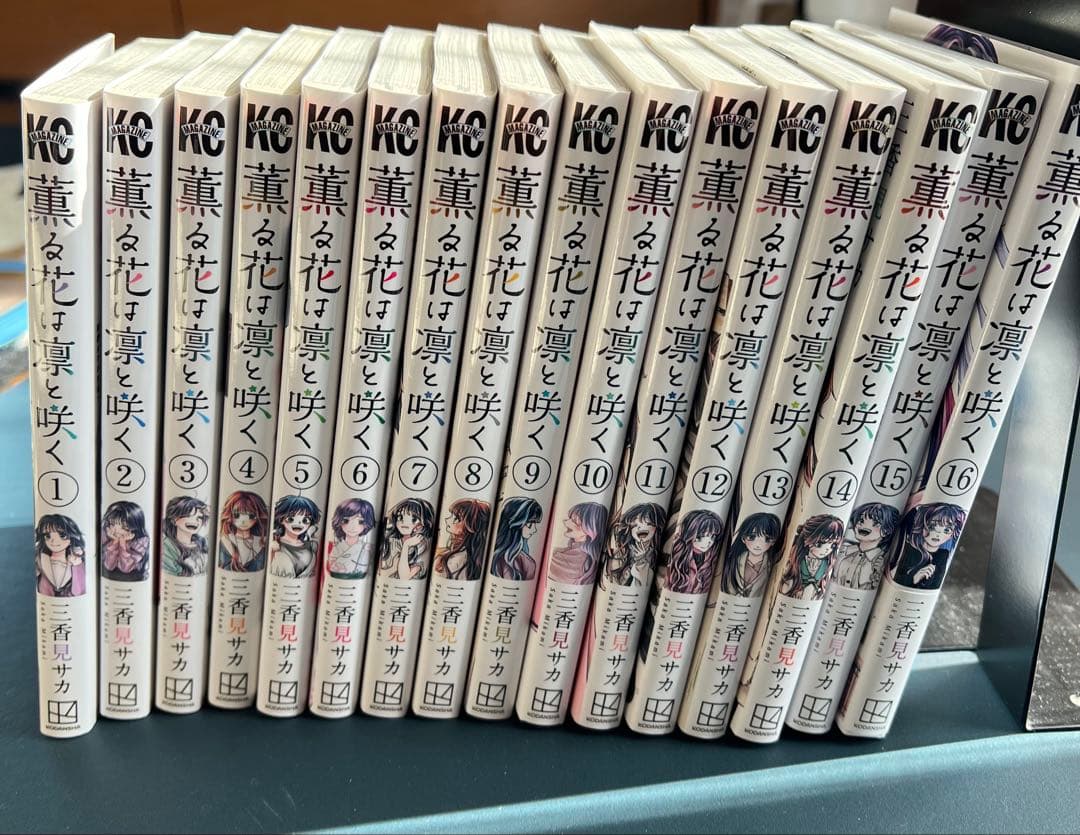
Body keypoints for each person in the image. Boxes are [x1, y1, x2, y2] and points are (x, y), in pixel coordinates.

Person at [888, 502, 966, 591]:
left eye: (946, 530)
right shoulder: (911, 549)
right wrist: (914, 578)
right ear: (921, 526)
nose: (938, 534)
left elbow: (935, 585)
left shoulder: (943, 555)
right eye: (932, 527)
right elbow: (893, 576)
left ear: (952, 534)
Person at [835, 502, 900, 591]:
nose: (863, 525)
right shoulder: (845, 552)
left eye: (876, 523)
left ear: (886, 531)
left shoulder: (881, 561)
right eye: (861, 520)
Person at [779, 514, 845, 601]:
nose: (827, 550)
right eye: (820, 544)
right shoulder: (797, 560)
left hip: (814, 597)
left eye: (833, 545)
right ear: (808, 539)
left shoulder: (827, 563)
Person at [603, 503, 666, 588]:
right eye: (634, 525)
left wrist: (641, 561)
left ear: (657, 526)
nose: (639, 528)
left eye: (647, 523)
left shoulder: (656, 553)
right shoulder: (623, 553)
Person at [719, 512, 781, 598]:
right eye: (752, 537)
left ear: (773, 542)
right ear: (743, 538)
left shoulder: (772, 564)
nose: (758, 544)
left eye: (767, 539)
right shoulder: (733, 560)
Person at [546, 502, 607, 585]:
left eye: (574, 521)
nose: (566, 521)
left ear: (589, 529)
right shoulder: (571, 552)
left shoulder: (576, 560)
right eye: (570, 518)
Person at [666, 509, 724, 595]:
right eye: (702, 536)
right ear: (690, 534)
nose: (709, 542)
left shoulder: (710, 559)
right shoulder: (678, 556)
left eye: (713, 536)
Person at [433, 499, 490, 580]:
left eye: (456, 518)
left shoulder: (457, 559)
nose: (447, 520)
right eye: (451, 516)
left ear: (469, 526)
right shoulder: (462, 552)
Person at [379, 498, 434, 581]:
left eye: (414, 519)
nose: (404, 522)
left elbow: (404, 577)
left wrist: (406, 545)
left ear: (424, 523)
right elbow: (381, 572)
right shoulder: (391, 541)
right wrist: (393, 568)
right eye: (400, 517)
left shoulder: (423, 546)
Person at [490, 497, 543, 581]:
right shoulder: (528, 564)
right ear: (517, 522)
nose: (534, 530)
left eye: (535, 524)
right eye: (530, 523)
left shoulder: (493, 553)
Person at [269, 495, 321, 579]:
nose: (299, 523)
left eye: (305, 520)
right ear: (281, 520)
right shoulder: (275, 545)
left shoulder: (313, 546)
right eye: (290, 519)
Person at [35, 514, 86, 597]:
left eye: (62, 535)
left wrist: (77, 565)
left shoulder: (76, 560)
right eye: (48, 536)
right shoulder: (41, 560)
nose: (53, 541)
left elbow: (79, 591)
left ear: (71, 536)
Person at [325, 498, 376, 580]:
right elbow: (331, 565)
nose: (352, 527)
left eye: (360, 522)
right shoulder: (337, 547)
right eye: (346, 521)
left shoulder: (367, 547)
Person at [218, 491, 269, 572]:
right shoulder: (224, 540)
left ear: (258, 516)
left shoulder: (262, 542)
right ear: (229, 515)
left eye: (251, 515)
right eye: (237, 515)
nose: (243, 521)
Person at [101, 501, 150, 582]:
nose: (116, 530)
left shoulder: (142, 541)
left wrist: (122, 543)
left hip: (133, 578)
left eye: (124, 527)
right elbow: (108, 566)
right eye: (112, 524)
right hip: (109, 578)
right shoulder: (105, 534)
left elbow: (126, 568)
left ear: (134, 528)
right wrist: (115, 541)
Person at [162, 496, 211, 577]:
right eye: (189, 516)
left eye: (199, 517)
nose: (195, 521)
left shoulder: (203, 542)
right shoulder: (167, 547)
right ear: (174, 519)